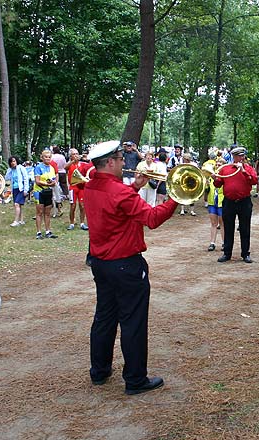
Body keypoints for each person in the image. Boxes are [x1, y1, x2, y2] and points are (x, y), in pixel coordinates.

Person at [83, 141, 177, 395]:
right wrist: (175, 199)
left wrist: (135, 186)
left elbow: (116, 207)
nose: (125, 163)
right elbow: (152, 219)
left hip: (101, 263)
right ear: (111, 162)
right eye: (121, 159)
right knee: (133, 321)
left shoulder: (90, 185)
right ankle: (136, 379)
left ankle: (99, 371)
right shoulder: (119, 193)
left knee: (104, 316)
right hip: (125, 264)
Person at [213, 146, 257, 263]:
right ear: (234, 157)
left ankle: (245, 254)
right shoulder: (225, 169)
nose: (242, 158)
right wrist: (214, 178)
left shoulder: (248, 168)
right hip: (229, 202)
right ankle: (227, 253)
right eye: (239, 156)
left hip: (244, 201)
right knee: (228, 228)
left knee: (245, 228)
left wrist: (244, 171)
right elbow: (218, 184)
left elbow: (254, 181)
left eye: (243, 156)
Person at [33, 150, 58, 239]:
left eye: (49, 157)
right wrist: (48, 184)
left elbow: (54, 179)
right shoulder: (38, 167)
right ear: (42, 157)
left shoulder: (51, 167)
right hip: (39, 192)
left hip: (48, 192)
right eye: (45, 157)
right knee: (39, 212)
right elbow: (37, 181)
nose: (47, 158)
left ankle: (48, 231)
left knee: (47, 213)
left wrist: (53, 183)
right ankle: (39, 232)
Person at [65, 148, 91, 231]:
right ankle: (72, 223)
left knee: (82, 205)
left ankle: (82, 223)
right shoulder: (69, 164)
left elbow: (89, 168)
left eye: (77, 153)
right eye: (74, 154)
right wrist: (73, 161)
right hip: (73, 187)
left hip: (81, 187)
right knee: (72, 206)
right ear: (70, 156)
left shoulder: (82, 164)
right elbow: (65, 167)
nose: (76, 155)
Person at [4, 156, 30, 227]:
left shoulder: (21, 168)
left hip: (21, 189)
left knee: (17, 204)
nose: (13, 163)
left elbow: (26, 179)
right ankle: (21, 220)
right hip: (14, 189)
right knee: (19, 205)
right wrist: (9, 169)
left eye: (14, 161)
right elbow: (7, 178)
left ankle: (16, 221)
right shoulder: (11, 170)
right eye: (11, 162)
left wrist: (26, 190)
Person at [206, 158, 225, 251]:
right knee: (213, 223)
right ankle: (212, 243)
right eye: (216, 164)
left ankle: (224, 243)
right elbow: (207, 189)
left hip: (222, 201)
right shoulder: (211, 175)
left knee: (222, 223)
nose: (217, 165)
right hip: (212, 201)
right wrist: (206, 184)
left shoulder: (226, 176)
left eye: (220, 164)